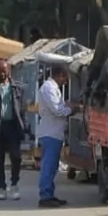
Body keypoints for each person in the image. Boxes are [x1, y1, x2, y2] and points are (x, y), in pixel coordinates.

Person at [35, 65, 72, 208]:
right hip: (50, 133)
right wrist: (72, 109)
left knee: (53, 166)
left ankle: (49, 194)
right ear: (60, 75)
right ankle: (45, 196)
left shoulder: (52, 88)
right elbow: (57, 110)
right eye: (65, 78)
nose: (66, 82)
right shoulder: (49, 88)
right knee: (48, 166)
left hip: (55, 133)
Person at [0, 72, 27, 201]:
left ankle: (14, 184)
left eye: (4, 71)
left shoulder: (17, 87)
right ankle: (1, 188)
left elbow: (22, 108)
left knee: (16, 157)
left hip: (13, 126)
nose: (2, 74)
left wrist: (24, 125)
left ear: (8, 71)